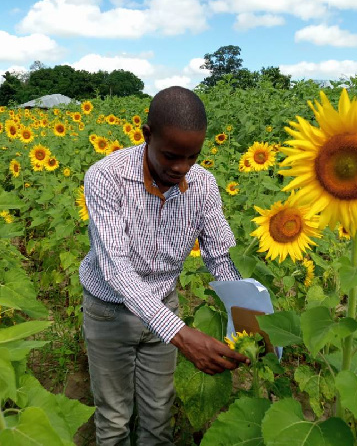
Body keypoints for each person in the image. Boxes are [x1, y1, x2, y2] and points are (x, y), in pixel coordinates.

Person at [79, 86, 248, 446]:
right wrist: (181, 334)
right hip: (109, 312)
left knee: (159, 416)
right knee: (113, 420)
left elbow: (219, 256)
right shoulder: (106, 177)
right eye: (171, 156)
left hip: (164, 305)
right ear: (147, 135)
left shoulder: (203, 184)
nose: (181, 168)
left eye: (192, 157)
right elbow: (116, 270)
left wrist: (248, 318)